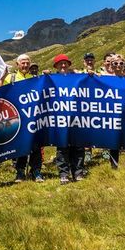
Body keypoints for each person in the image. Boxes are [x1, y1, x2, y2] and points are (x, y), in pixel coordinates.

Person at [3, 53, 42, 181]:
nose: (25, 65)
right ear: (17, 64)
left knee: (36, 145)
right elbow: (2, 94)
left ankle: (36, 171)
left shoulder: (34, 78)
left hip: (33, 117)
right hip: (17, 118)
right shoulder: (10, 78)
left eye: (27, 63)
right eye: (23, 63)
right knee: (21, 145)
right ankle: (20, 172)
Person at [51, 54, 86, 182]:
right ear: (56, 66)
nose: (63, 65)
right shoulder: (51, 79)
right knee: (62, 147)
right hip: (60, 120)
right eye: (60, 63)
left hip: (77, 119)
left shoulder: (76, 78)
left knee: (78, 146)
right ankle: (64, 174)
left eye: (66, 63)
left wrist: (91, 76)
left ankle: (78, 173)